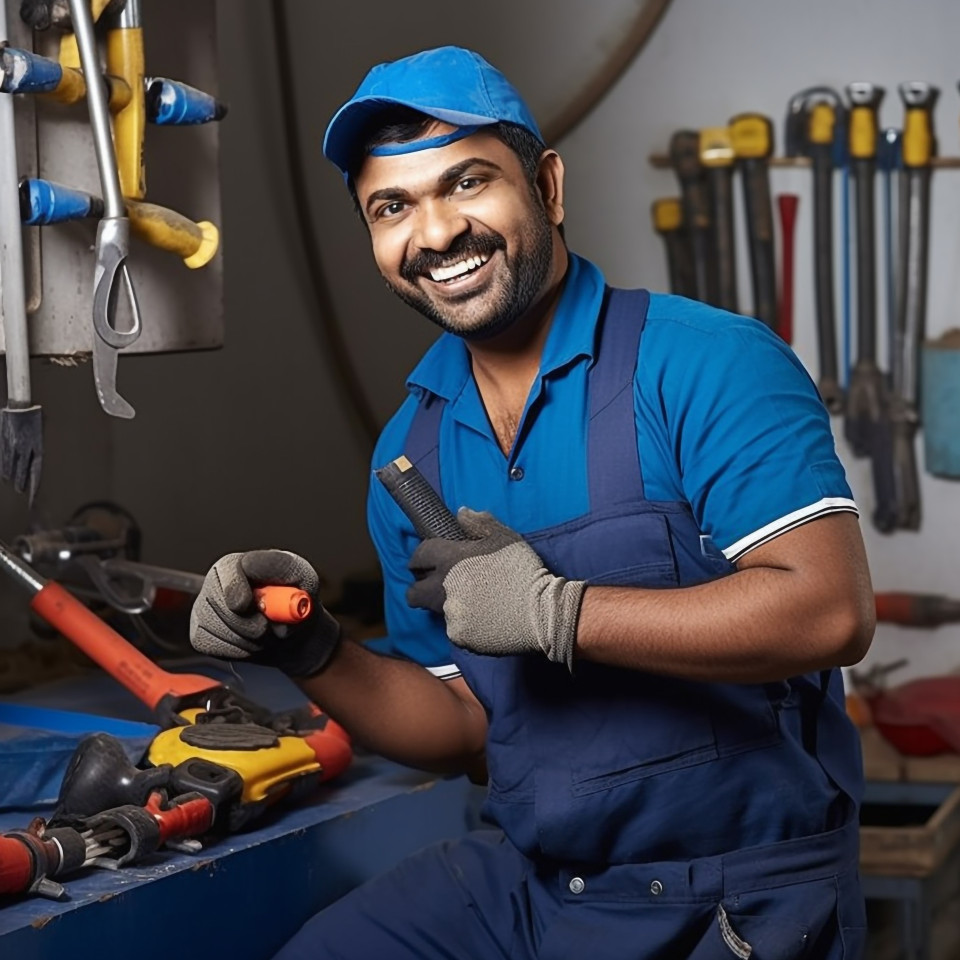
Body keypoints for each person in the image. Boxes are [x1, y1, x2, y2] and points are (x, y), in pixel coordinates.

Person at [190, 45, 875, 960]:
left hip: (736, 889)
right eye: (392, 208)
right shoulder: (411, 452)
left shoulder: (706, 363)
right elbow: (462, 724)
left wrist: (556, 611)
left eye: (466, 182)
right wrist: (309, 647)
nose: (434, 234)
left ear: (547, 187)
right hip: (538, 879)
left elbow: (829, 613)